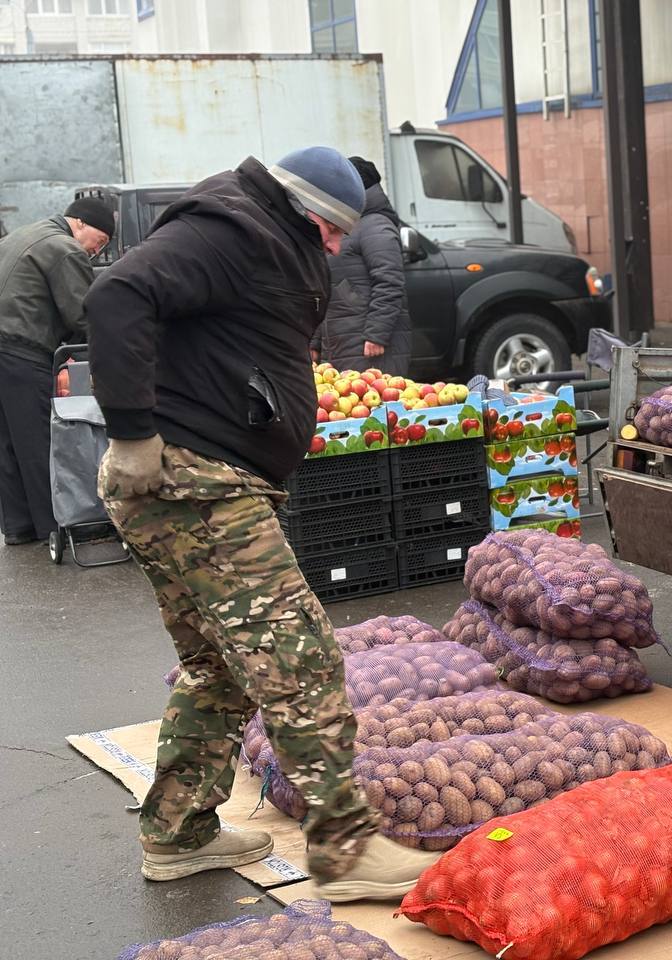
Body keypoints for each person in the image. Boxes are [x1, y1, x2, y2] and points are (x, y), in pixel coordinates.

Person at [84, 147, 435, 901]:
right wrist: (133, 431)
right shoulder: (227, 231)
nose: (337, 247)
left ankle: (179, 835)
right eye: (330, 231)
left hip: (200, 477)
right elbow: (118, 295)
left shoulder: (261, 234)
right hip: (193, 480)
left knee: (219, 666)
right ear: (298, 207)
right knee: (298, 654)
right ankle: (344, 852)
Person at [0, 198, 113, 546]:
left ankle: (20, 527)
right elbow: (82, 315)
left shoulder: (20, 235)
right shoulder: (64, 249)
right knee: (40, 443)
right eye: (101, 240)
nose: (97, 250)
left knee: (8, 442)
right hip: (23, 350)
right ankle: (58, 528)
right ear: (79, 223)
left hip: (5, 348)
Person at [315, 156, 412, 375]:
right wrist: (315, 343)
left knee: (376, 408)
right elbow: (327, 287)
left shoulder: (375, 226)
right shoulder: (346, 225)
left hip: (370, 348)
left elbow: (389, 282)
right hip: (344, 343)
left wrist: (376, 335)